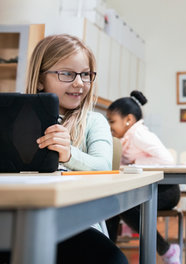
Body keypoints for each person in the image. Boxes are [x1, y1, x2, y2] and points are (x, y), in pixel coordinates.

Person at [0, 34, 127, 264]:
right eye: (67, 74)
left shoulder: (93, 121)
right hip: (18, 220)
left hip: (77, 223)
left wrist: (69, 154)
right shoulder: (14, 121)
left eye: (85, 74)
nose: (79, 83)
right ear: (40, 80)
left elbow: (103, 166)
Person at [105, 90, 181, 264]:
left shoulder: (139, 134)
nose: (109, 126)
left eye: (112, 121)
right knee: (114, 203)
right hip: (150, 190)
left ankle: (167, 250)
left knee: (121, 204)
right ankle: (108, 253)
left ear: (128, 120)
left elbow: (167, 160)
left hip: (166, 191)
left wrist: (133, 162)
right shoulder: (124, 138)